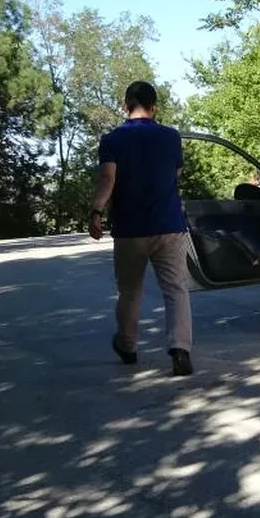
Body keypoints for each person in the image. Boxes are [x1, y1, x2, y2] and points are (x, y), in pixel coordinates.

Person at [88, 81, 193, 376]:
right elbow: (175, 177)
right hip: (169, 225)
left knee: (130, 290)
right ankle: (180, 350)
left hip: (130, 228)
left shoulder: (112, 140)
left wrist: (96, 212)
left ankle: (128, 345)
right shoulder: (171, 137)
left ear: (125, 105)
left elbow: (107, 180)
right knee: (175, 289)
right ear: (154, 107)